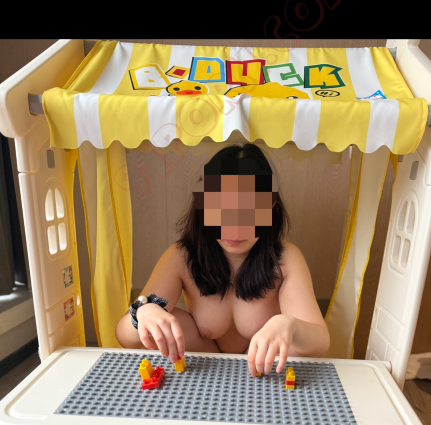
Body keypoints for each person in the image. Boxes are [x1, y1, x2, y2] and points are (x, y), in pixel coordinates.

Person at [115, 144, 329, 375]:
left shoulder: (285, 259)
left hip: (265, 373)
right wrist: (143, 312)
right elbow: (125, 337)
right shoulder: (181, 257)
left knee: (298, 344)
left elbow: (320, 343)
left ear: (270, 207)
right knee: (164, 318)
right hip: (203, 369)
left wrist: (289, 325)